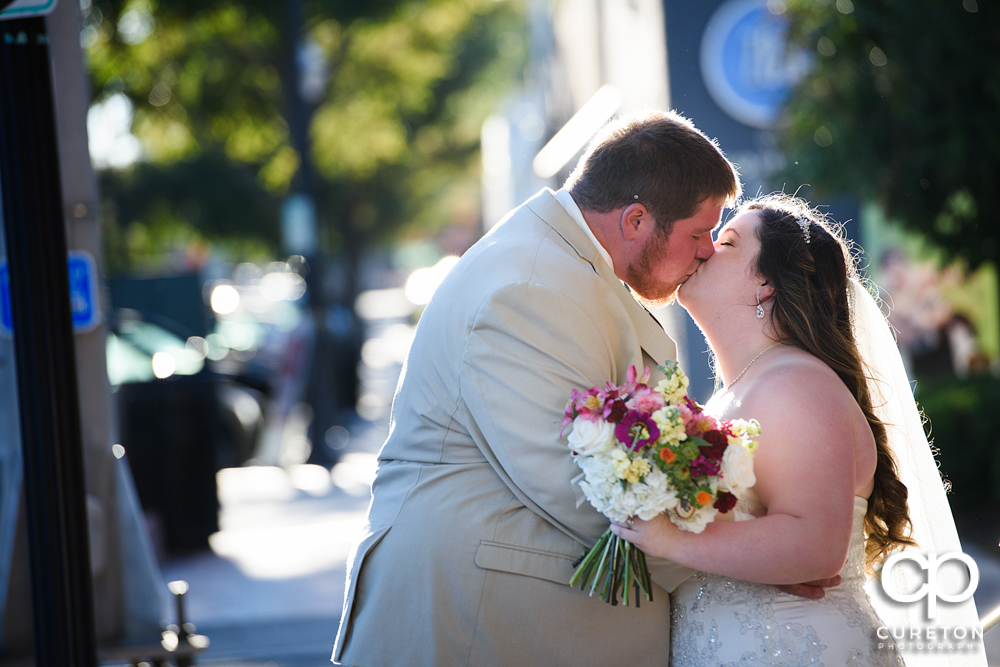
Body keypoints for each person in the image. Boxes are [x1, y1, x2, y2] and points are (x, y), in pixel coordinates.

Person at [332, 109, 746, 666]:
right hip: (474, 625)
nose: (707, 251)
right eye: (699, 233)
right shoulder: (529, 287)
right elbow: (583, 488)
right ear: (636, 220)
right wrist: (748, 566)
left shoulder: (558, 266)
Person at [612, 193, 987, 666]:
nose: (703, 248)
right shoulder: (745, 390)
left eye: (725, 242)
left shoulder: (797, 383)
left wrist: (672, 541)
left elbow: (816, 546)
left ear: (765, 284)